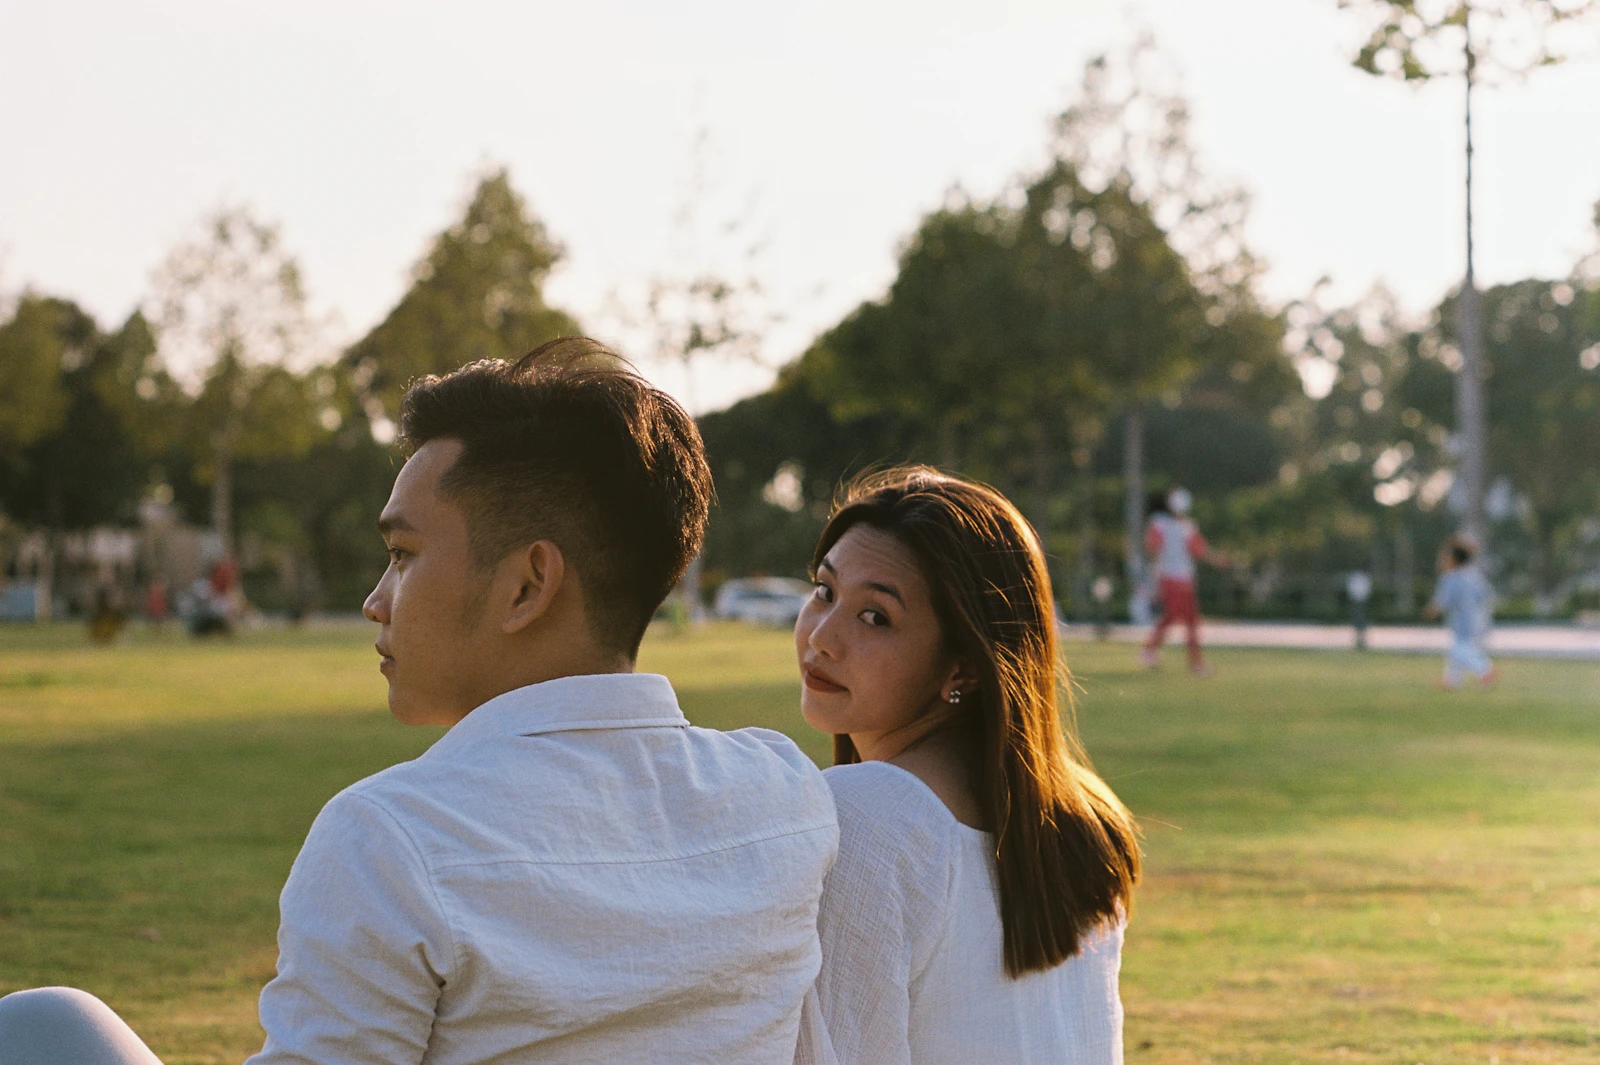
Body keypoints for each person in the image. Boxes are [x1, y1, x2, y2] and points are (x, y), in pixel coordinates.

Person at [0, 338, 839, 1065]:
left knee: (45, 1025)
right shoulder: (783, 794)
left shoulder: (395, 839)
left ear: (527, 584)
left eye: (402, 553)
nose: (376, 598)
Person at [794, 467, 1140, 1065]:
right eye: (825, 591)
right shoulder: (1085, 817)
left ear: (965, 668)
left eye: (875, 616)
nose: (821, 636)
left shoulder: (866, 819)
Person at [1140, 487, 1223, 676]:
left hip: (1184, 577)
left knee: (1180, 618)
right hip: (1170, 577)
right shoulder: (1161, 523)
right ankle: (1190, 662)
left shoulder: (1186, 526)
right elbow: (1154, 548)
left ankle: (1151, 650)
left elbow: (1198, 549)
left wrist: (1218, 560)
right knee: (1180, 617)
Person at [1424, 535, 1498, 690]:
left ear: (1453, 560)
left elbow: (1441, 602)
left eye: (1445, 557)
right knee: (1457, 650)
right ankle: (1452, 681)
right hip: (1479, 619)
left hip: (1463, 622)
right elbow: (1486, 596)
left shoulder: (1451, 578)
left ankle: (1484, 669)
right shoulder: (1473, 575)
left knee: (1459, 649)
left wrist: (1430, 611)